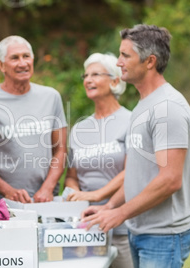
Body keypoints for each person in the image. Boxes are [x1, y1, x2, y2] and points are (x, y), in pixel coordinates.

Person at [82, 24, 190, 268]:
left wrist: (120, 214)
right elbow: (138, 174)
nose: (119, 62)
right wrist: (109, 206)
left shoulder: (168, 108)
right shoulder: (142, 105)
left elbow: (170, 179)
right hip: (140, 229)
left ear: (149, 61)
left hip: (163, 235)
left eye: (125, 55)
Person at [0, 35, 67, 204]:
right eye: (14, 58)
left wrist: (48, 188)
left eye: (26, 56)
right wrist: (9, 192)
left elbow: (60, 150)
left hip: (46, 200)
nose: (22, 63)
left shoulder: (51, 97)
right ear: (1, 65)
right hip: (3, 203)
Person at [65, 53, 132, 268]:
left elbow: (131, 172)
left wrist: (97, 195)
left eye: (96, 74)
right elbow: (72, 177)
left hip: (122, 227)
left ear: (115, 81)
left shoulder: (131, 121)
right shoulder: (79, 128)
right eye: (86, 75)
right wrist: (74, 193)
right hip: (86, 229)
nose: (88, 79)